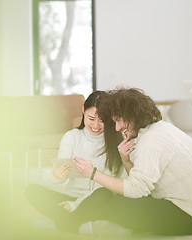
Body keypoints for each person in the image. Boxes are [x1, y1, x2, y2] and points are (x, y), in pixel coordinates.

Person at [55, 88, 192, 236]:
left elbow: (137, 190)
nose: (117, 128)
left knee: (113, 205)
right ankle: (73, 221)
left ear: (132, 115)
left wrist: (93, 174)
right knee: (105, 194)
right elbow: (144, 183)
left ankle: (70, 222)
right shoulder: (158, 129)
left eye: (119, 121)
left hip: (190, 218)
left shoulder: (151, 141)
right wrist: (126, 161)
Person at [25, 91, 122, 221]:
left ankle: (66, 221)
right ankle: (76, 221)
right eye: (91, 119)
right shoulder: (71, 137)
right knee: (32, 190)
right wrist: (56, 176)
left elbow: (112, 186)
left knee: (104, 195)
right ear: (83, 110)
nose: (95, 125)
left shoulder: (116, 142)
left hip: (95, 200)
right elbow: (58, 179)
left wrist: (76, 205)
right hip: (70, 196)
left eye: (102, 121)